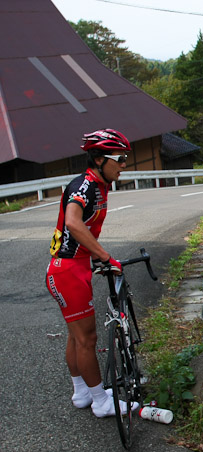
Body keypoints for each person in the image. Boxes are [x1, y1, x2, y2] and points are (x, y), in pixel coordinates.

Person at [46, 128, 138, 418]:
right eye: (120, 159)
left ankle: (82, 392)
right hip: (67, 271)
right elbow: (74, 223)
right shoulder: (83, 186)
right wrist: (104, 256)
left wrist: (95, 258)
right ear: (99, 159)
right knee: (87, 339)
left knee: (76, 337)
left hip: (73, 267)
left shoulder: (100, 185)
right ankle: (100, 401)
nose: (124, 165)